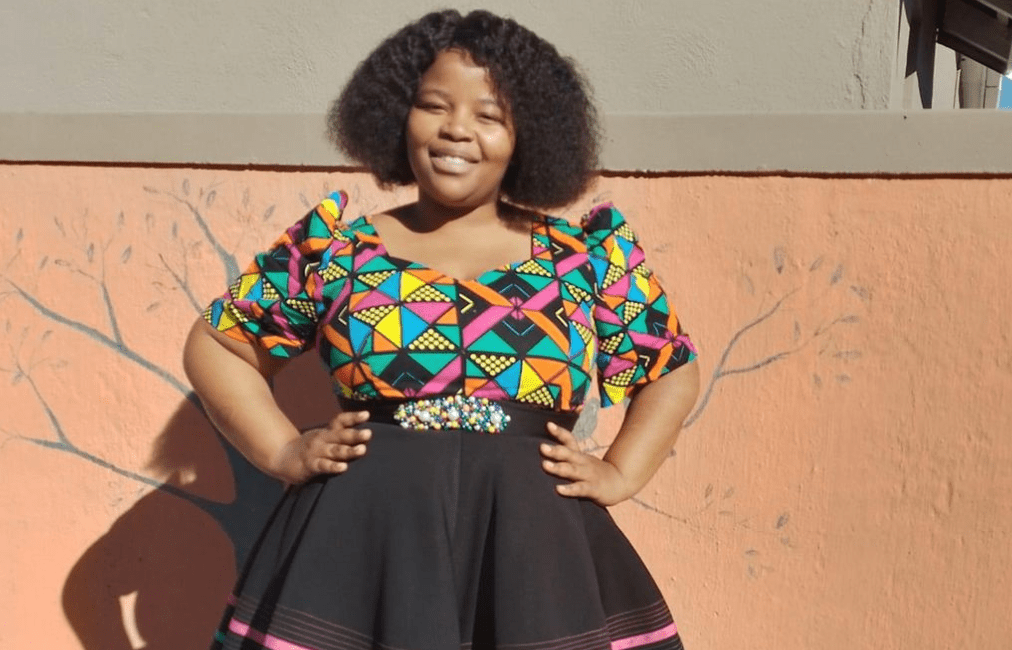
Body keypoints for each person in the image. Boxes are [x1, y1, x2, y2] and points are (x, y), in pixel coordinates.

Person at [183, 9, 700, 650]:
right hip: (361, 548)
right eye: (434, 106)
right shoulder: (337, 249)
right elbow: (219, 343)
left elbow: (669, 369)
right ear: (398, 115)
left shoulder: (584, 257)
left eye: (490, 115)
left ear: (528, 134)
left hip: (534, 551)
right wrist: (283, 451)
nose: (457, 129)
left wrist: (620, 472)